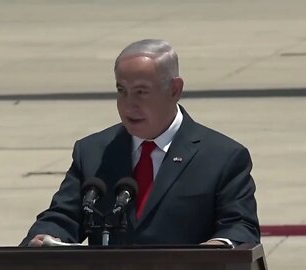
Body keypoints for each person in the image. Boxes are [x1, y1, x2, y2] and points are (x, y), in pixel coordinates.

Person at [20, 39, 260, 247]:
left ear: (174, 89)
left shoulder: (222, 157)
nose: (128, 104)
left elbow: (240, 227)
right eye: (121, 90)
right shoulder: (94, 152)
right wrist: (45, 236)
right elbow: (64, 217)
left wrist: (216, 248)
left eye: (141, 92)